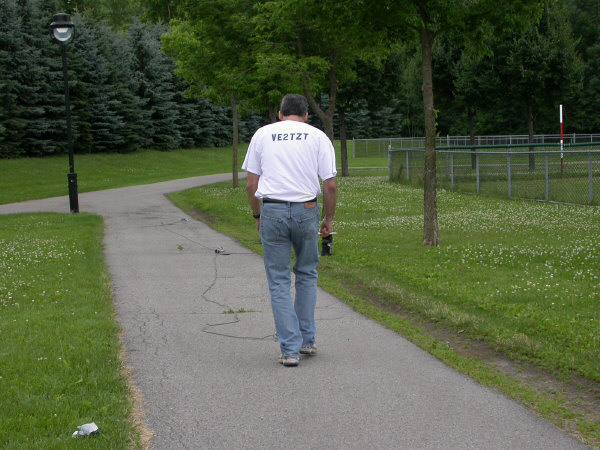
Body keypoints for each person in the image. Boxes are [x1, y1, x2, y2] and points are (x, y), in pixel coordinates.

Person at [242, 94, 337, 367]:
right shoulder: (318, 137)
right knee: (306, 274)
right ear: (306, 115)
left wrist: (258, 214)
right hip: (306, 210)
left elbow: (251, 184)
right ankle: (307, 340)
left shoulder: (262, 135)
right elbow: (330, 185)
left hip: (272, 210)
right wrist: (328, 220)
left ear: (280, 114)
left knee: (279, 280)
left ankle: (289, 349)